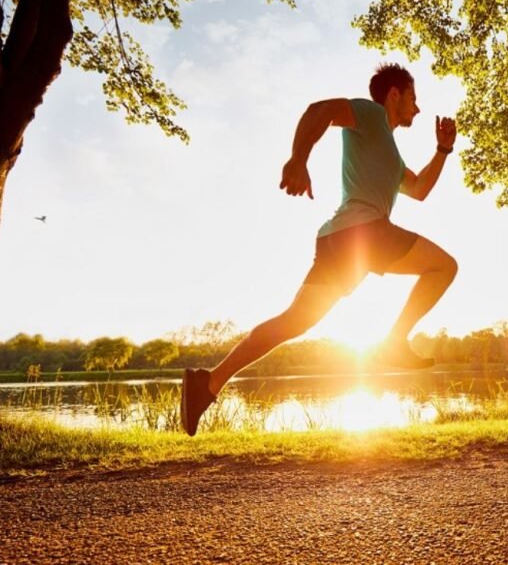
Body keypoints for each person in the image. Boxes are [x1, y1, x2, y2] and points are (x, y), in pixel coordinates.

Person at [180, 63, 458, 436]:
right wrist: (299, 159)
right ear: (394, 94)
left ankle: (209, 382)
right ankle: (394, 341)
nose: (418, 108)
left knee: (293, 321)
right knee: (444, 267)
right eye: (413, 98)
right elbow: (320, 110)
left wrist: (443, 149)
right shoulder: (370, 113)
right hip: (366, 233)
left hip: (339, 239)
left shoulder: (391, 155)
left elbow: (420, 189)